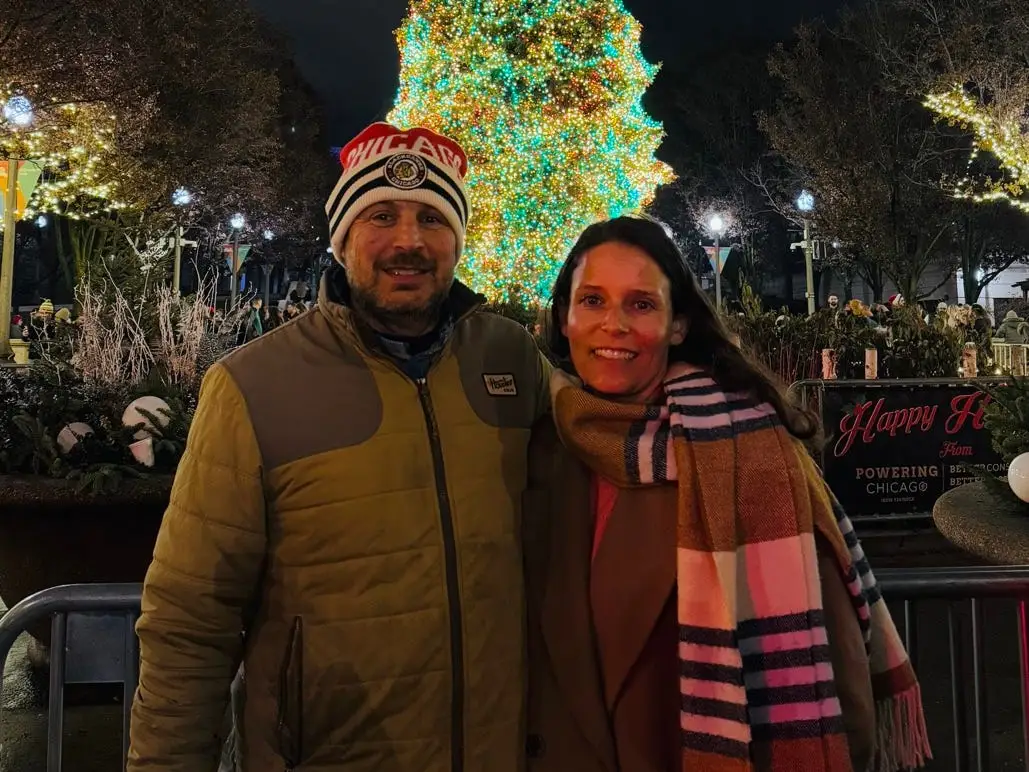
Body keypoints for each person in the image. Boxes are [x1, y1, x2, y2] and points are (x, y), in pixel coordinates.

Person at [128, 122, 551, 772]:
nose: (408, 241)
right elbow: (190, 619)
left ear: (458, 242)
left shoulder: (512, 361)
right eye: (381, 214)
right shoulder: (252, 386)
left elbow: (611, 437)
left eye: (432, 219)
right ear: (342, 238)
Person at [522, 216, 930, 772]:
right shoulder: (541, 446)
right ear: (564, 318)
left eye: (641, 304)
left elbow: (830, 672)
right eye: (591, 300)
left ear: (677, 325)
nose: (611, 324)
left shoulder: (751, 452)